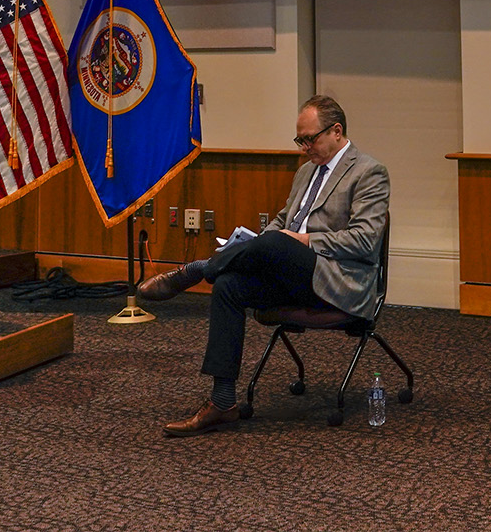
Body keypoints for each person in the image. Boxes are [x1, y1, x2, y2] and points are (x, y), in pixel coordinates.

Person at [142, 94, 390, 436]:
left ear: (336, 131)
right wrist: (255, 242)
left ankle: (198, 270)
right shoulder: (305, 172)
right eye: (299, 140)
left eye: (310, 139)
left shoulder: (368, 172)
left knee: (277, 242)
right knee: (230, 285)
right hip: (293, 275)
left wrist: (302, 241)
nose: (304, 148)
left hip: (338, 282)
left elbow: (364, 241)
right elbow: (283, 220)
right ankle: (222, 401)